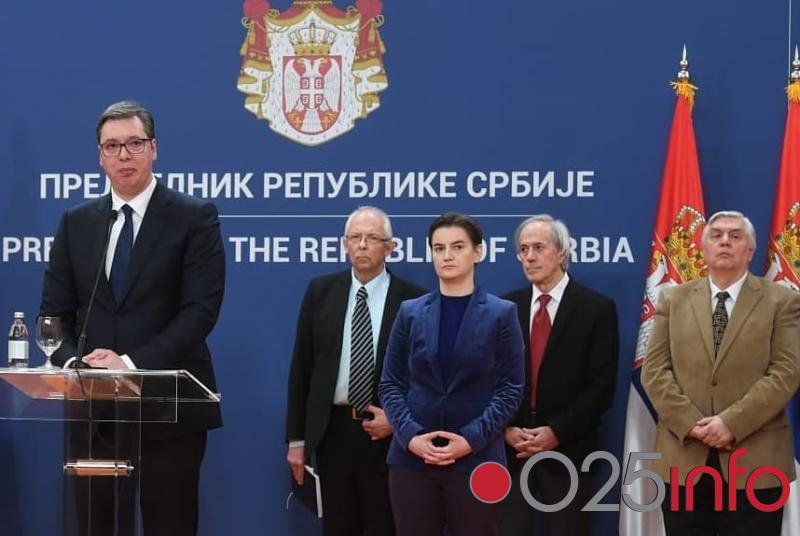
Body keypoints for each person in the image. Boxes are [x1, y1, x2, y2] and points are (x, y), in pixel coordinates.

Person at [40, 100, 225, 536]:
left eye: (134, 144)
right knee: (96, 524)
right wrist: (76, 364)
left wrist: (128, 364)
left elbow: (200, 311)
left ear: (153, 148)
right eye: (112, 146)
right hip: (95, 407)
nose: (123, 155)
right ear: (100, 156)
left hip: (168, 404)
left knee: (170, 524)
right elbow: (53, 314)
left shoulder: (193, 217)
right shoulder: (76, 222)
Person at [642, 210, 800, 535]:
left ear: (751, 251)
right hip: (684, 459)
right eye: (716, 235)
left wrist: (731, 423)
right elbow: (654, 371)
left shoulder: (782, 301)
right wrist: (691, 424)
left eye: (735, 236)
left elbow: (787, 371)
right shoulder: (672, 299)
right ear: (703, 248)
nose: (725, 241)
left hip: (756, 461)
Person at [380, 212, 524, 536]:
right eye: (439, 248)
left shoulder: (502, 314)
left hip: (479, 459)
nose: (447, 255)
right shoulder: (410, 312)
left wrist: (471, 439)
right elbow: (391, 383)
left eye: (458, 247)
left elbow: (510, 388)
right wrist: (411, 437)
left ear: (478, 252)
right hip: (412, 462)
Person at [285, 206, 425, 536]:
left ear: (390, 247)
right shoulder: (320, 292)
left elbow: (424, 377)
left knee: (384, 525)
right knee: (338, 526)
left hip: (387, 435)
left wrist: (399, 421)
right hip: (332, 433)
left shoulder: (413, 301)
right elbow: (302, 368)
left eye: (372, 238)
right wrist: (297, 440)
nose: (362, 245)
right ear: (345, 244)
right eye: (355, 238)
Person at [499, 214, 618, 536]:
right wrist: (506, 429)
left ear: (562, 252)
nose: (530, 257)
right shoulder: (506, 307)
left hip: (569, 450)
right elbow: (492, 378)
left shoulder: (596, 309)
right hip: (512, 450)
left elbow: (601, 387)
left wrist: (557, 431)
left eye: (539, 247)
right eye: (524, 249)